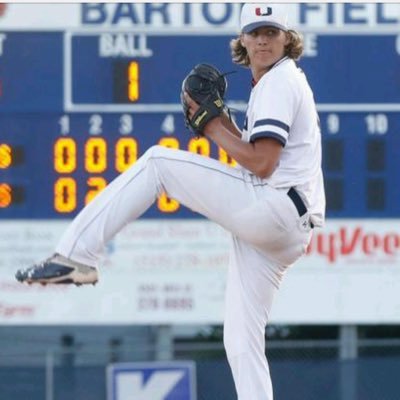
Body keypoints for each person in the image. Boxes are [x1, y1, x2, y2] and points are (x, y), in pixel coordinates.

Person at [16, 3, 325, 399]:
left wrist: (211, 124)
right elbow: (255, 155)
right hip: (286, 226)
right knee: (241, 339)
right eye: (255, 32)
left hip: (275, 207)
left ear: (288, 38)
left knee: (159, 163)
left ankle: (76, 256)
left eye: (271, 31)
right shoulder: (276, 83)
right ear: (243, 41)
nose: (263, 39)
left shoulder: (279, 81)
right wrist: (225, 122)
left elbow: (262, 164)